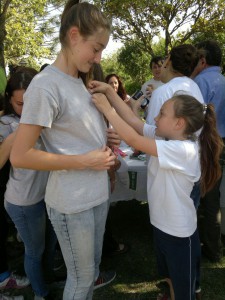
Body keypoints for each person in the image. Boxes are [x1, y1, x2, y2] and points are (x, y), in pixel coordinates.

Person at [10, 1, 116, 299]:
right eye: (96, 48)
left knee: (91, 273)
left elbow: (73, 134)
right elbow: (20, 155)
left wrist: (105, 140)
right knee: (81, 280)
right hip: (72, 203)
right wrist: (84, 160)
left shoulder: (80, 82)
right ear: (73, 36)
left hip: (96, 195)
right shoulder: (45, 87)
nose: (98, 57)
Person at [89, 80, 223, 300]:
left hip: (179, 233)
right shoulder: (167, 137)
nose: (156, 118)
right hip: (162, 225)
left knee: (184, 288)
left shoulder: (184, 150)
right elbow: (134, 122)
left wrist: (105, 108)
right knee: (169, 276)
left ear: (179, 123)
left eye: (161, 113)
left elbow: (133, 138)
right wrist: (109, 94)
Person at [0, 67, 59, 300]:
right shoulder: (6, 124)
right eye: (19, 104)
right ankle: (41, 293)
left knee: (49, 247)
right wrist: (21, 132)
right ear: (10, 100)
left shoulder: (49, 115)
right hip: (24, 201)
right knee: (35, 251)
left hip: (50, 196)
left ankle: (47, 279)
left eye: (31, 102)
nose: (26, 109)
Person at [192, 40, 225, 262]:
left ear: (203, 60)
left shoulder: (201, 81)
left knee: (204, 197)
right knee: (214, 196)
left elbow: (195, 120)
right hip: (221, 143)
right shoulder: (223, 80)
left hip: (207, 145)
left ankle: (210, 248)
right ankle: (212, 245)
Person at [145, 44, 204, 125]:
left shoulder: (162, 93)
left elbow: (152, 132)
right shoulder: (194, 86)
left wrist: (134, 110)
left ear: (168, 60)